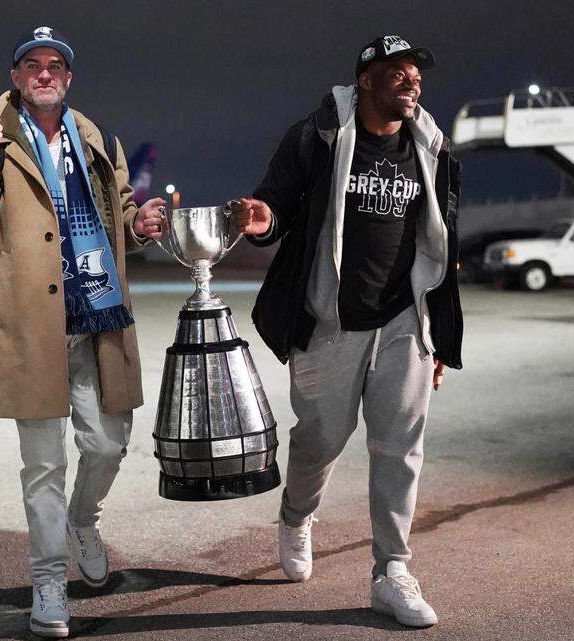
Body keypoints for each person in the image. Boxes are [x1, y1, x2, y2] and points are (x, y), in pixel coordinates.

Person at [0, 26, 165, 638]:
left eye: (54, 65)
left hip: (98, 315)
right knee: (42, 465)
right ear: (15, 77)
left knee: (109, 443)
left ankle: (82, 520)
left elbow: (117, 213)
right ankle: (48, 579)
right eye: (31, 65)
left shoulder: (97, 140)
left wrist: (139, 224)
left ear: (68, 77)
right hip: (34, 325)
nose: (43, 73)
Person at [231, 35, 463, 628]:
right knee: (322, 438)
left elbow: (440, 246)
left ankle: (392, 570)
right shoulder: (318, 136)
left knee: (400, 449)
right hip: (330, 318)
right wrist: (263, 220)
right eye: (398, 73)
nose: (412, 82)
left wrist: (437, 334)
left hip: (404, 320)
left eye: (416, 74)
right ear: (365, 80)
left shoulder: (432, 148)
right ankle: (296, 514)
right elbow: (274, 204)